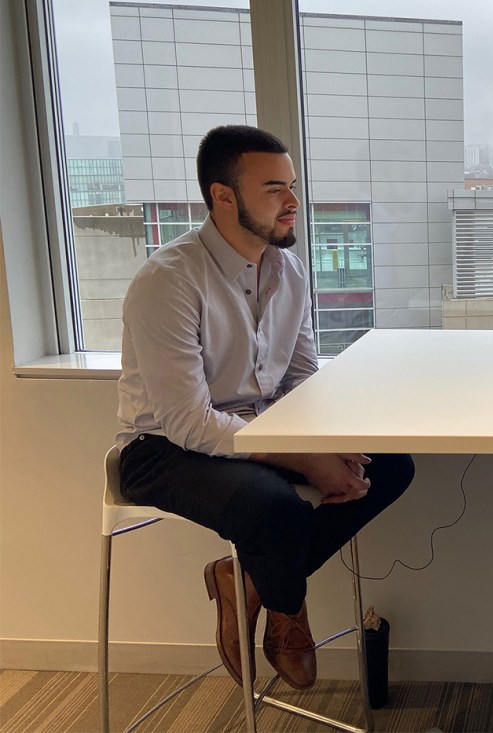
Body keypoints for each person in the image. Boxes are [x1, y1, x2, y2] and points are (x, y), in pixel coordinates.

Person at [116, 125, 415, 691]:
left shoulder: (289, 271)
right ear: (223, 197)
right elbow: (188, 421)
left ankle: (246, 580)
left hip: (261, 428)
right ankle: (286, 610)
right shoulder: (168, 281)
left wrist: (327, 446)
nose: (294, 203)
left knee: (391, 464)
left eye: (293, 186)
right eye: (275, 189)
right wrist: (303, 460)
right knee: (275, 509)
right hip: (161, 449)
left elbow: (302, 379)